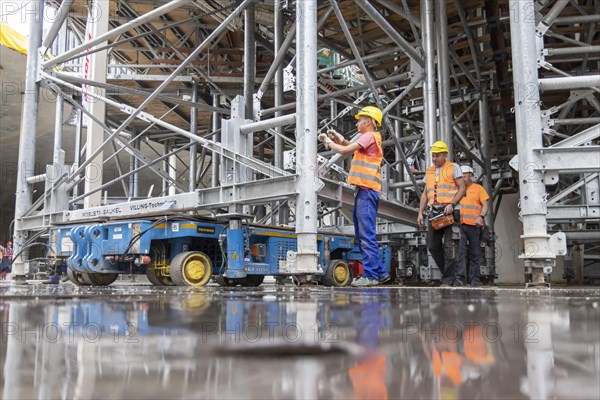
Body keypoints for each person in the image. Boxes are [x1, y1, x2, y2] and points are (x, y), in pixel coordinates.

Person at [319, 106, 390, 287]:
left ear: (369, 122)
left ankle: (372, 275)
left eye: (360, 120)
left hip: (366, 191)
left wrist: (328, 142)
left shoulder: (369, 136)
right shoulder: (370, 139)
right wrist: (338, 137)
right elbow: (350, 146)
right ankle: (380, 273)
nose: (357, 122)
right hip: (366, 191)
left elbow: (344, 151)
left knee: (366, 235)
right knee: (363, 235)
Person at [417, 141, 466, 287]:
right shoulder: (430, 171)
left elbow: (462, 188)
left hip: (450, 212)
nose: (434, 158)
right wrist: (420, 212)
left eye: (437, 155)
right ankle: (449, 275)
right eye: (433, 155)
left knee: (450, 247)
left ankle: (449, 279)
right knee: (432, 245)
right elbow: (425, 193)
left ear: (445, 154)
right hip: (435, 213)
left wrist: (451, 204)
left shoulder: (453, 167)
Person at [457, 165, 489, 287]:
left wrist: (481, 217)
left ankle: (474, 280)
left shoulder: (478, 188)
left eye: (464, 175)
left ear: (470, 175)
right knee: (461, 253)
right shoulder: (458, 189)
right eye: (461, 176)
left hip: (474, 227)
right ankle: (460, 279)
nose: (463, 178)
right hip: (461, 226)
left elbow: (485, 205)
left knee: (474, 254)